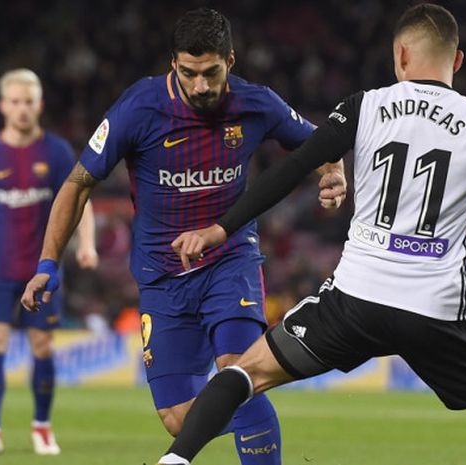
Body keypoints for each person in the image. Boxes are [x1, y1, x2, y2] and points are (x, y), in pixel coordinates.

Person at [154, 4, 466, 465]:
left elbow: (290, 172)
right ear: (457, 60)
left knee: (246, 373)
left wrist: (221, 227)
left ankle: (175, 462)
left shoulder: (364, 105)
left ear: (400, 55)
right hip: (436, 311)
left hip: (354, 300)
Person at [20, 8, 346, 465]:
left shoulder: (257, 103)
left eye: (211, 72)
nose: (200, 86)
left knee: (239, 374)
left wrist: (333, 172)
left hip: (229, 262)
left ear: (230, 61)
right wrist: (48, 263)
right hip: (162, 277)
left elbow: (322, 142)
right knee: (177, 417)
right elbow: (77, 184)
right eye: (189, 73)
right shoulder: (139, 107)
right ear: (173, 63)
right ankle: (250, 424)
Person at [0, 68, 98, 456]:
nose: (23, 109)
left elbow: (78, 199)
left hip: (42, 267)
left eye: (29, 102)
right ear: (3, 106)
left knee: (42, 346)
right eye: (15, 102)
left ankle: (42, 426)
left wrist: (85, 244)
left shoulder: (56, 151)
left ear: (39, 105)